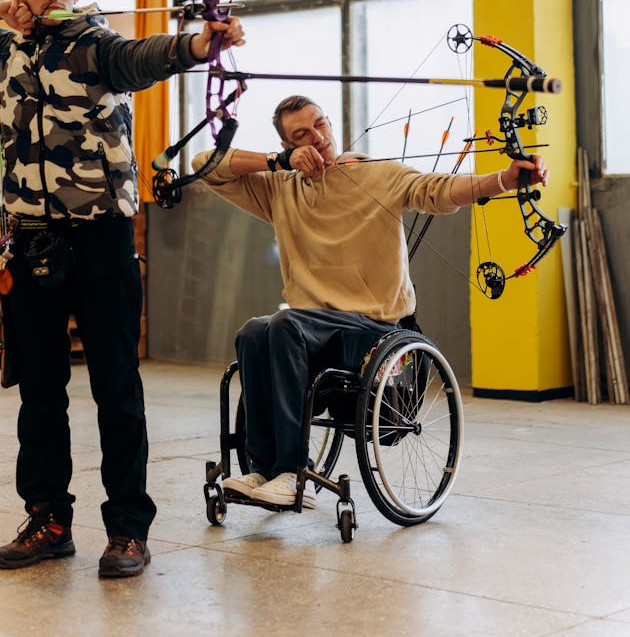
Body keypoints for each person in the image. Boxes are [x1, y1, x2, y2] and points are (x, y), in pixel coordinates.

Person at [0, 0, 244, 579]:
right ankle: (48, 519)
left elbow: (148, 56)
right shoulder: (2, 47)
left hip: (101, 240)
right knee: (40, 391)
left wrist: (199, 46)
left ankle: (128, 529)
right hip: (28, 240)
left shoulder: (96, 45)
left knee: (116, 389)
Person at [192, 94, 549, 509]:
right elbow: (204, 165)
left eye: (320, 124)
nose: (317, 137)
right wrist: (277, 163)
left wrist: (504, 179)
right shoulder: (279, 189)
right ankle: (264, 468)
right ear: (288, 146)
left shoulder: (379, 174)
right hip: (310, 326)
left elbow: (439, 190)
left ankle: (292, 471)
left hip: (374, 327)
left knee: (284, 325)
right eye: (301, 134)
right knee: (253, 330)